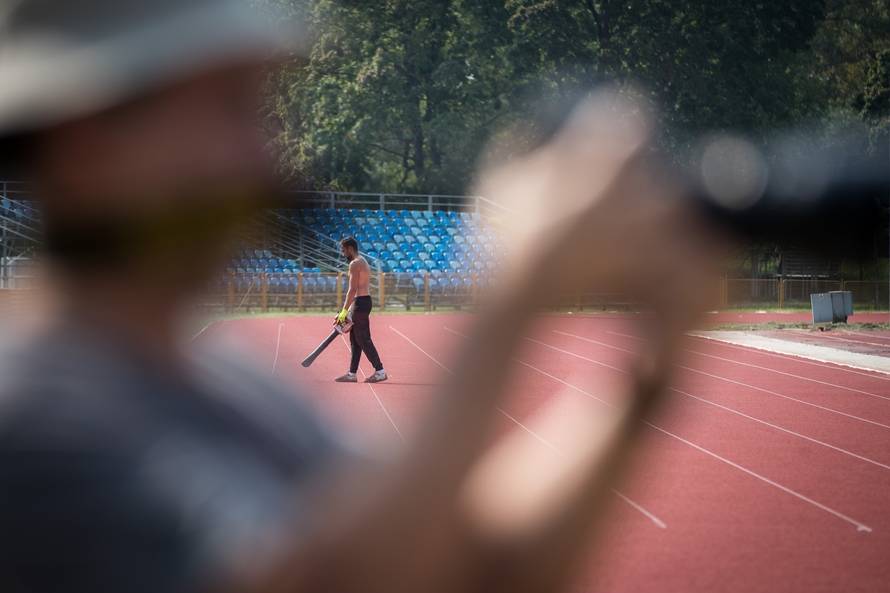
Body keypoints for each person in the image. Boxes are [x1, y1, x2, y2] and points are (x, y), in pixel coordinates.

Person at [0, 2, 720, 593]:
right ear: (84, 141)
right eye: (230, 108)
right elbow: (345, 579)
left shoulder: (234, 380)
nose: (264, 158)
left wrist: (642, 379)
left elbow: (482, 568)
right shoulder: (30, 412)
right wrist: (509, 295)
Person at [334, 236, 387, 383]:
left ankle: (380, 371)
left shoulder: (355, 263)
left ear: (350, 248)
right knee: (355, 340)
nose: (343, 253)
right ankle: (352, 373)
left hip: (361, 302)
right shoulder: (362, 260)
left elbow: (352, 289)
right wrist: (349, 309)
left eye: (344, 250)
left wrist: (344, 312)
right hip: (361, 302)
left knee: (363, 339)